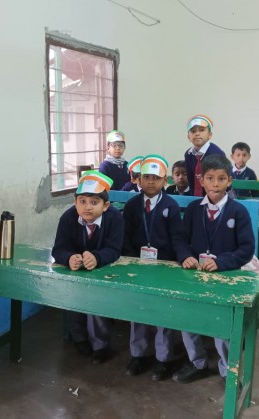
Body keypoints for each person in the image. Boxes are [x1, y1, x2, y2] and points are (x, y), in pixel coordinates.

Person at [173, 154, 255, 383]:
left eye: (221, 178)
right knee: (188, 319)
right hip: (196, 275)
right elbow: (180, 239)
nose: (215, 184)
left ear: (230, 180)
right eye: (210, 178)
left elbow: (246, 249)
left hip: (226, 278)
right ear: (201, 180)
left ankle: (227, 370)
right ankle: (197, 362)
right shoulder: (193, 209)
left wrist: (221, 262)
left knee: (222, 327)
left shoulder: (238, 211)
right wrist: (185, 256)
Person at [51, 170, 123, 364]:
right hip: (75, 271)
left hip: (103, 271)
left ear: (105, 205)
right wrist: (69, 258)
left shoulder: (115, 218)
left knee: (96, 303)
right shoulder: (68, 218)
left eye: (94, 202)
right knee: (72, 297)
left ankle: (100, 345)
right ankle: (79, 338)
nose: (87, 207)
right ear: (75, 202)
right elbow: (59, 249)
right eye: (82, 201)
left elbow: (115, 249)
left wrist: (97, 258)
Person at [122, 155, 182, 381]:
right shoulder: (132, 205)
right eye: (146, 177)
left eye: (156, 178)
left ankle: (163, 358)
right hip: (137, 266)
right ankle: (138, 354)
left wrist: (173, 264)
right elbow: (125, 236)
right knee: (137, 310)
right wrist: (132, 260)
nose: (150, 181)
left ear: (165, 180)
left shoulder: (171, 206)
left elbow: (177, 238)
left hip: (164, 267)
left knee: (162, 313)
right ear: (139, 179)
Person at [184, 115, 225, 197]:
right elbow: (191, 180)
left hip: (217, 197)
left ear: (210, 135)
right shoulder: (188, 154)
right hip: (195, 197)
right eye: (193, 131)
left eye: (202, 130)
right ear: (188, 137)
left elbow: (220, 181)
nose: (197, 133)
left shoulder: (216, 154)